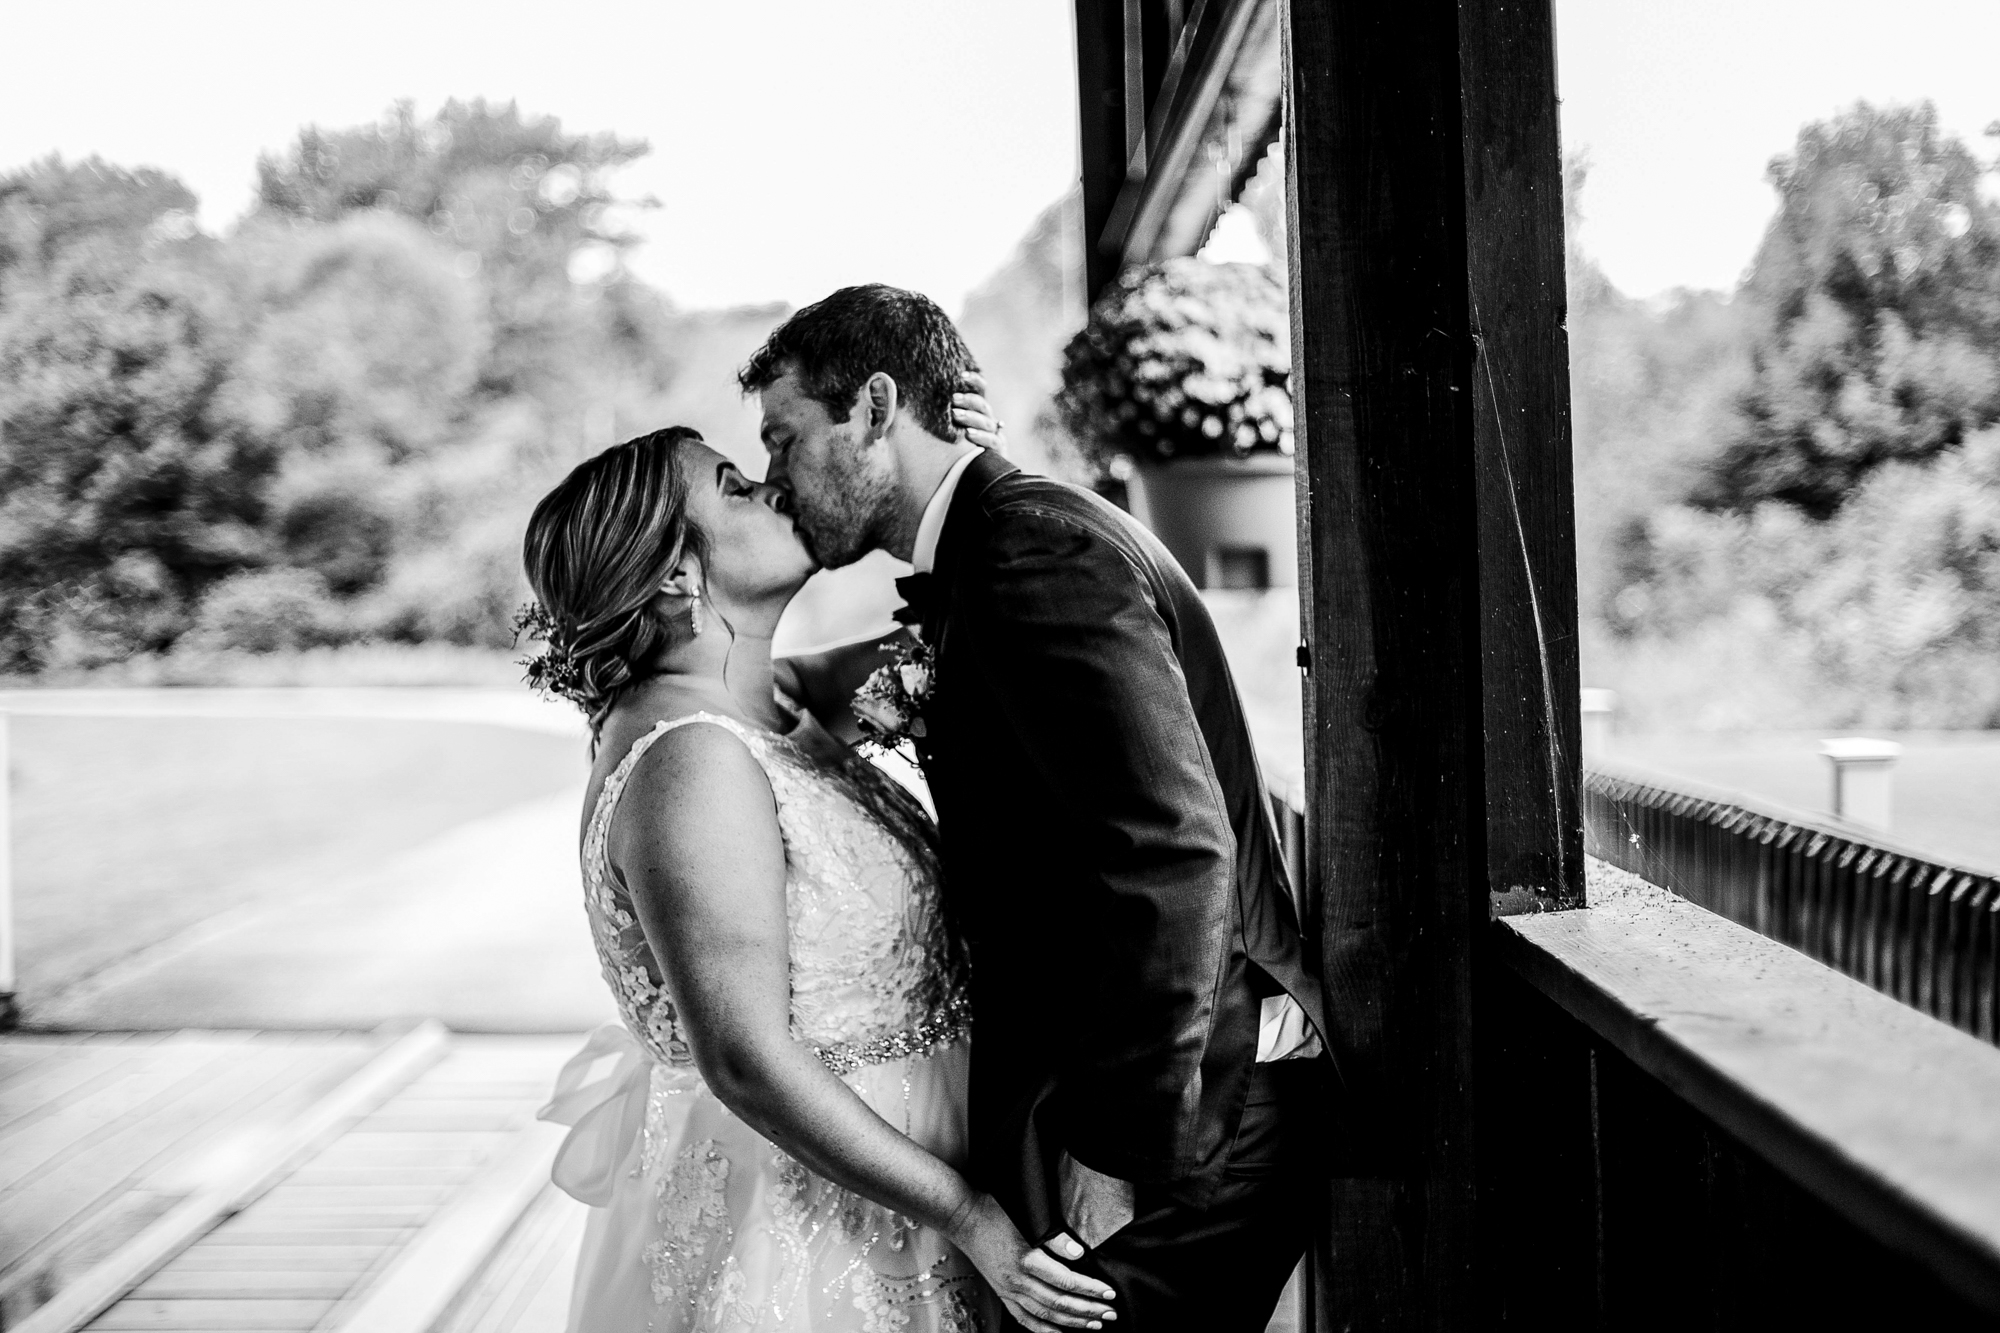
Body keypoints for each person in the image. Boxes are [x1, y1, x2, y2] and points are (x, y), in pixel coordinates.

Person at [743, 285, 1333, 1332]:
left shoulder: (1028, 554)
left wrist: (1115, 1151)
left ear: (875, 409)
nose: (773, 478)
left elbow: (1172, 851)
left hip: (1184, 1120)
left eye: (783, 439)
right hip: (1165, 1100)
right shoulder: (993, 549)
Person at [520, 421, 1119, 1332]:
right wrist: (968, 1215)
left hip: (915, 1172)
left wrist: (955, 465)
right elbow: (746, 1058)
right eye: (730, 485)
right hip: (823, 1225)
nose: (769, 485)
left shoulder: (772, 703)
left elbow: (987, 618)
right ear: (677, 574)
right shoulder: (691, 766)